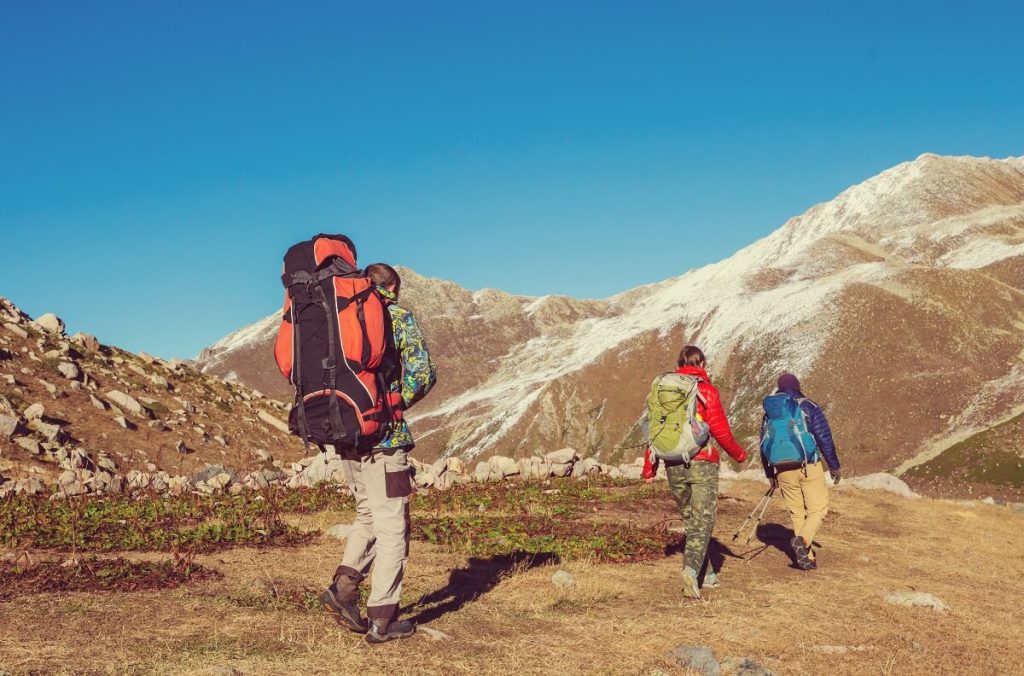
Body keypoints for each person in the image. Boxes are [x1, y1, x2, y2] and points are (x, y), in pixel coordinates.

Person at [319, 262, 437, 643]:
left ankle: (342, 592)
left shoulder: (336, 318)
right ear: (394, 287)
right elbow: (423, 374)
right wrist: (393, 403)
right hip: (385, 441)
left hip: (346, 436)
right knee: (393, 531)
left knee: (366, 516)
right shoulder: (397, 317)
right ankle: (382, 619)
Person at [650, 345, 748, 599]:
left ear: (680, 364)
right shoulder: (706, 390)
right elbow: (720, 431)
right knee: (703, 521)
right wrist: (739, 454)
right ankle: (691, 570)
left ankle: (708, 575)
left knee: (692, 521)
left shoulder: (665, 391)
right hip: (702, 462)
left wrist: (649, 465)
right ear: (702, 363)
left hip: (672, 463)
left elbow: (654, 427)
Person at [759, 373, 840, 571]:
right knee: (818, 508)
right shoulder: (808, 406)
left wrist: (770, 473)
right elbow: (824, 438)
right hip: (808, 465)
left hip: (782, 469)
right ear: (797, 386)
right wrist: (834, 465)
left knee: (797, 511)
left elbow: (763, 442)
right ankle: (803, 540)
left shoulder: (771, 412)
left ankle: (808, 558)